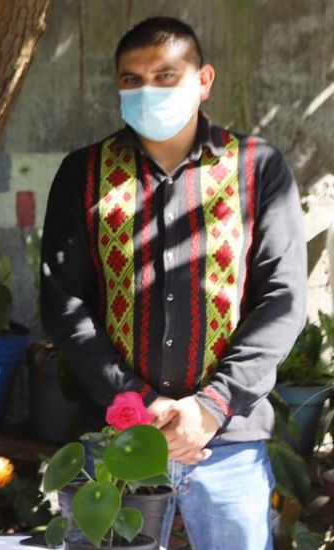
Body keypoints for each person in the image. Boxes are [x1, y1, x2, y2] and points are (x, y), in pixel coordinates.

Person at [40, 17, 306, 549]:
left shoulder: (257, 168)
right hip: (116, 441)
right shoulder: (84, 173)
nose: (147, 91)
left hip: (228, 442)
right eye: (131, 80)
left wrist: (210, 405)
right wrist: (136, 403)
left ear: (203, 80)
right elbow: (64, 301)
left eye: (165, 76)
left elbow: (283, 299)